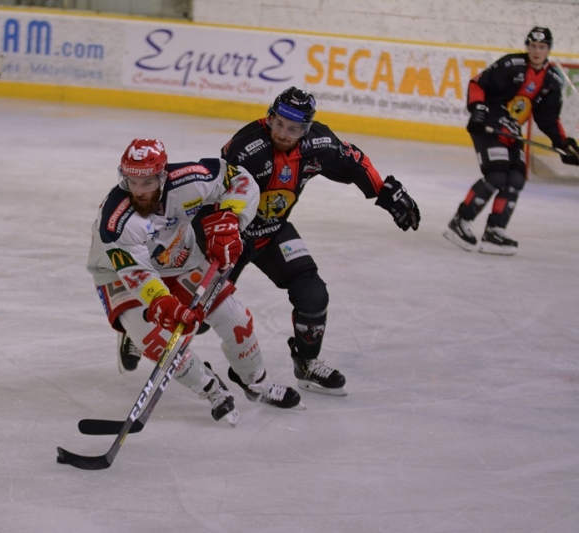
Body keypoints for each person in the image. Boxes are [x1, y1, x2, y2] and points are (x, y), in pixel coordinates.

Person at [118, 87, 421, 399]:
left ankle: (306, 364)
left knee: (312, 293)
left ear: (306, 129)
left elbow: (353, 161)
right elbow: (220, 189)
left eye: (293, 129)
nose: (284, 133)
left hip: (272, 232)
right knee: (199, 317)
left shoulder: (319, 143)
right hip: (223, 236)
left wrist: (384, 191)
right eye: (278, 124)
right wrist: (222, 231)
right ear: (270, 117)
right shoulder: (247, 147)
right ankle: (138, 327)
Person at [88, 138, 303, 425]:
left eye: (147, 182)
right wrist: (162, 302)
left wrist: (231, 217)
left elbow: (241, 180)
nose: (138, 191)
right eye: (131, 181)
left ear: (163, 175)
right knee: (157, 341)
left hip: (181, 259)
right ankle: (211, 389)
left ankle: (256, 382)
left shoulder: (191, 179)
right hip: (118, 273)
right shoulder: (115, 221)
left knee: (236, 320)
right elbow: (138, 274)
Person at [443, 26, 579, 255]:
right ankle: (460, 221)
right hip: (489, 123)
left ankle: (495, 231)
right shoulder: (511, 64)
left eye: (542, 47)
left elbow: (548, 119)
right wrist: (478, 110)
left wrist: (563, 143)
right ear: (527, 46)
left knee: (516, 178)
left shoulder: (552, 80)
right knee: (497, 175)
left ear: (548, 49)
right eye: (533, 46)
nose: (537, 51)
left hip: (512, 130)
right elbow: (478, 83)